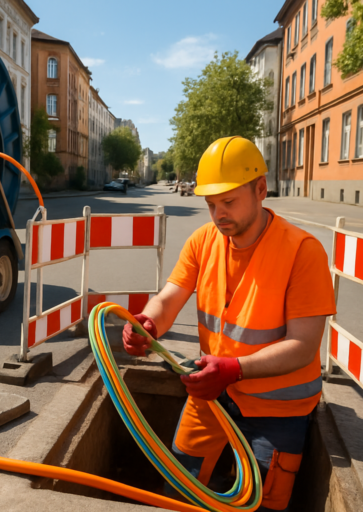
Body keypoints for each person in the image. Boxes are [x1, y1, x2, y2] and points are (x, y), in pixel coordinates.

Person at [123, 136, 336, 511]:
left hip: (278, 409)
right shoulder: (203, 241)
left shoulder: (302, 251)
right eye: (211, 205)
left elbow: (303, 346)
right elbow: (170, 297)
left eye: (229, 202)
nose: (219, 214)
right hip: (212, 391)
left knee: (262, 504)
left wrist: (235, 369)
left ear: (261, 189)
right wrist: (149, 324)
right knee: (179, 488)